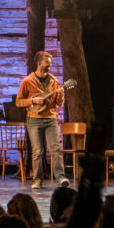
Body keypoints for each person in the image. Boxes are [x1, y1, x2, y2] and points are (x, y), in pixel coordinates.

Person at [16, 51, 67, 189]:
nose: (50, 65)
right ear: (39, 63)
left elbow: (59, 103)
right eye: (47, 62)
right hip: (34, 119)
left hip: (50, 119)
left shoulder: (54, 81)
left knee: (55, 149)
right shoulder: (27, 81)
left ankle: (61, 178)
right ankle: (37, 179)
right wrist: (33, 100)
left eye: (50, 62)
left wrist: (61, 95)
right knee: (37, 151)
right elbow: (18, 102)